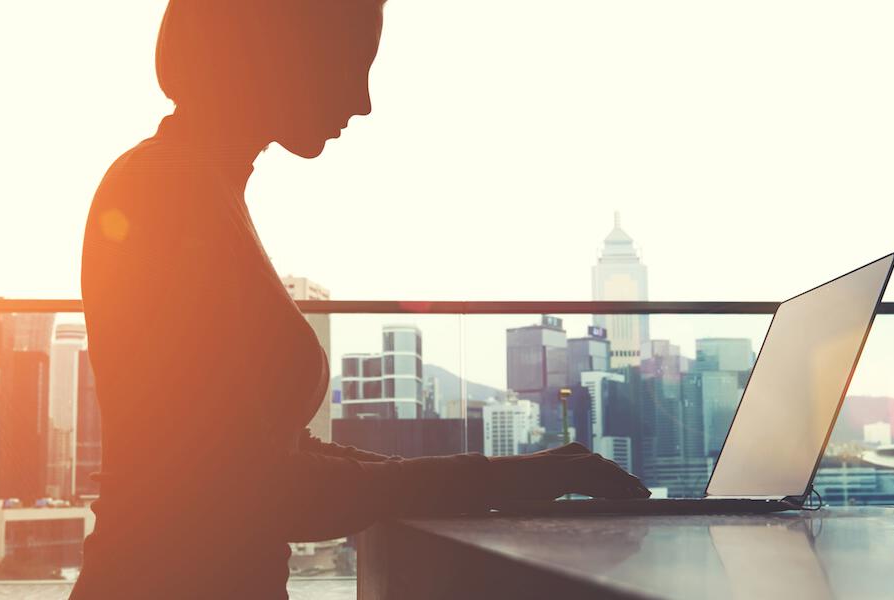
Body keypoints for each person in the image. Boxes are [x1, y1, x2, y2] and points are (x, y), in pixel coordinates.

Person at [71, 1, 650, 597]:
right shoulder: (171, 191)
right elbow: (264, 487)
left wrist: (515, 474)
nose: (362, 101)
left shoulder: (189, 180)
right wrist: (516, 477)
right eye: (349, 64)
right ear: (274, 53)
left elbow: (264, 453)